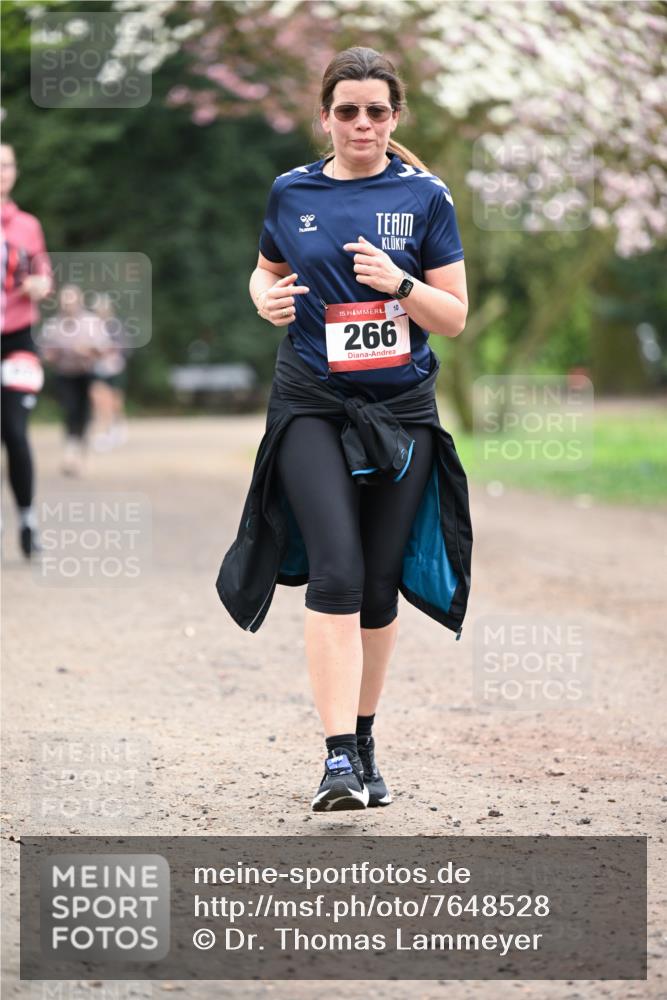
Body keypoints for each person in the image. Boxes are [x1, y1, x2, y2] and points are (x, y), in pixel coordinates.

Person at [216, 46, 471, 813]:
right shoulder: (291, 191)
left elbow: (453, 318)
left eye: (377, 111)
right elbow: (265, 267)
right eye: (347, 110)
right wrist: (262, 295)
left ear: (395, 118)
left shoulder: (425, 197)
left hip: (400, 412)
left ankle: (362, 738)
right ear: (324, 115)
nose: (362, 123)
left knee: (378, 582)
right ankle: (334, 762)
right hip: (310, 404)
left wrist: (398, 284)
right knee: (334, 568)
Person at [1, 142, 52, 558]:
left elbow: (43, 271)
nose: (2, 172)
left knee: (15, 433)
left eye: (7, 165)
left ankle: (27, 521)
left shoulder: (27, 225)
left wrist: (40, 284)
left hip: (17, 339)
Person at [40, 284, 112, 476]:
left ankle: (84, 455)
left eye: (71, 299)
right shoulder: (53, 325)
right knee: (70, 412)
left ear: (79, 301)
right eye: (65, 299)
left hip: (87, 374)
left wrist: (88, 350)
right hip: (65, 374)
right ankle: (69, 454)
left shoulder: (91, 322)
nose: (67, 304)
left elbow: (104, 349)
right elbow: (45, 352)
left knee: (85, 415)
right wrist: (51, 356)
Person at [89, 292, 129, 452]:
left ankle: (117, 427)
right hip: (98, 369)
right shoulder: (92, 327)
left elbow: (122, 348)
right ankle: (104, 432)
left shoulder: (115, 326)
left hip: (114, 369)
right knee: (98, 400)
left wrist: (107, 351)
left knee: (115, 402)